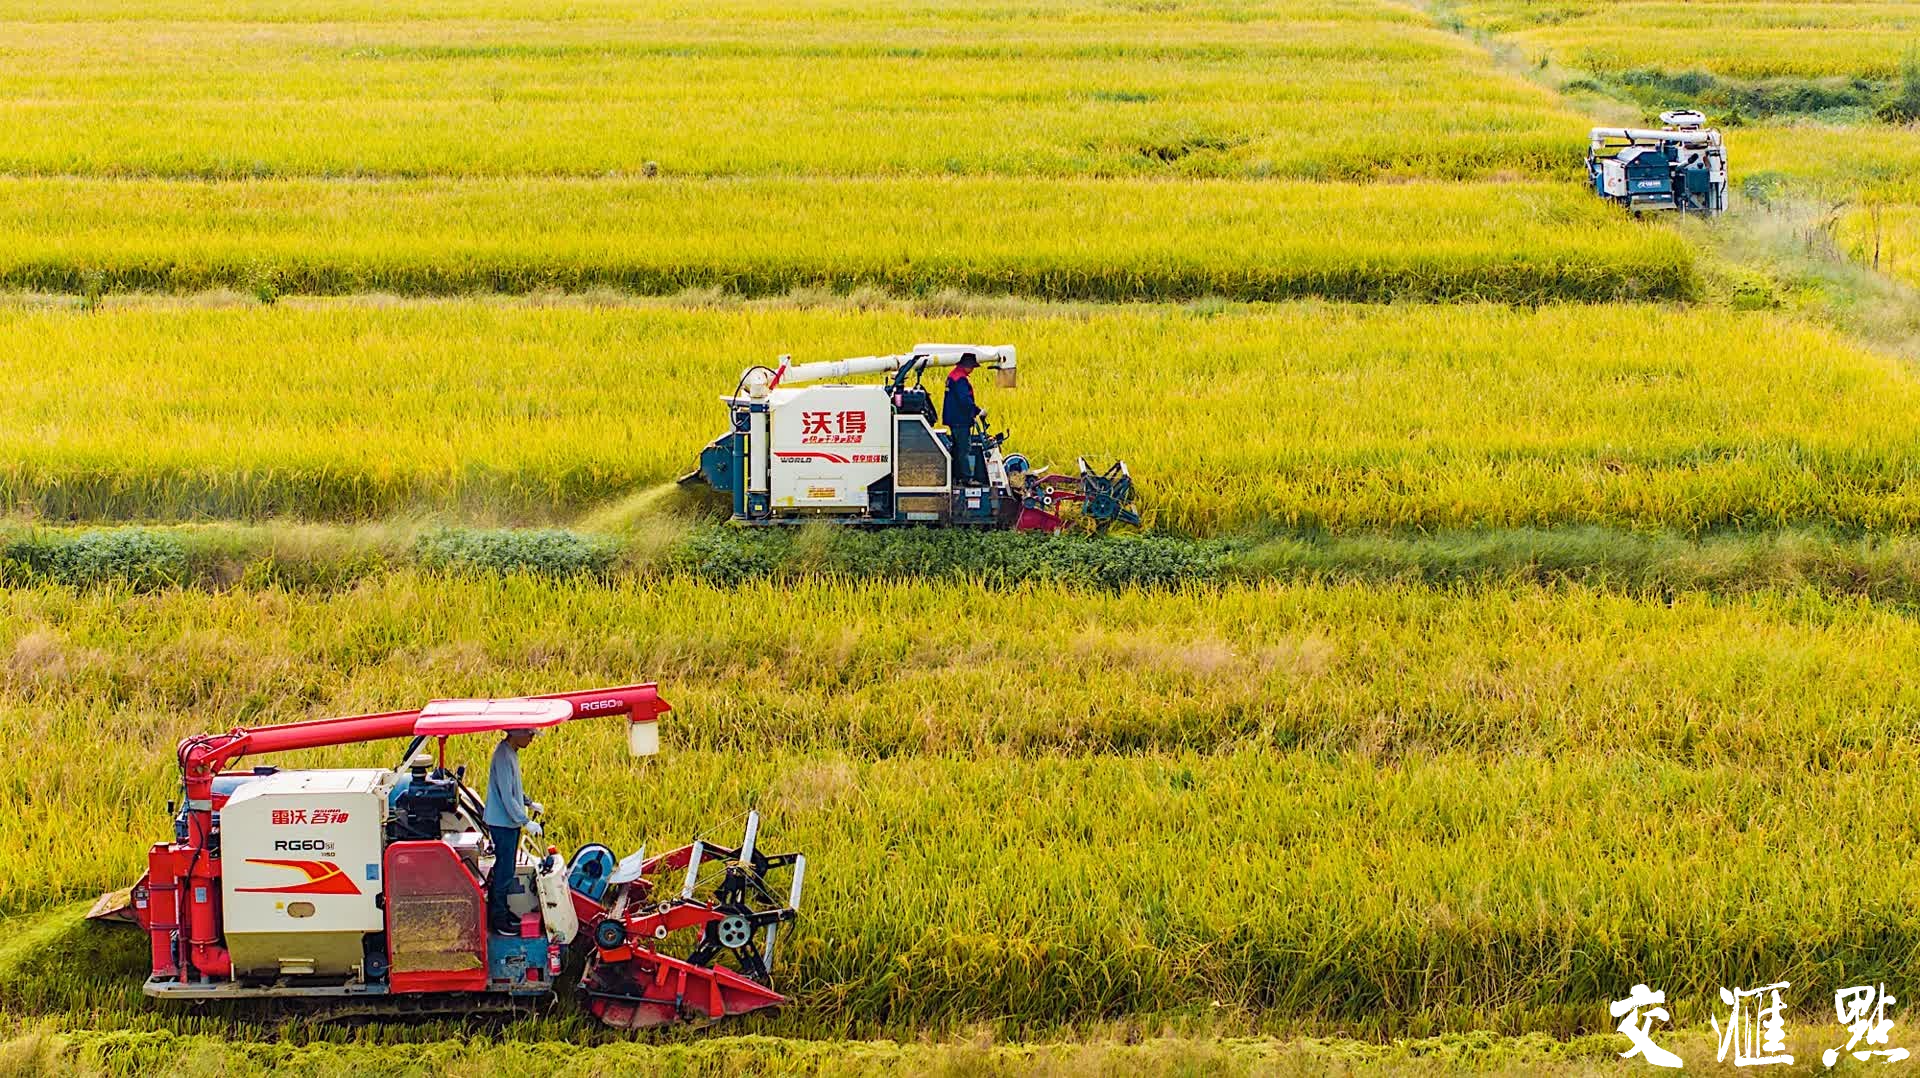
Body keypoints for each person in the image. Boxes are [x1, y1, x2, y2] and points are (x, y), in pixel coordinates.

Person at [483, 727, 544, 935]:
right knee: (504, 870)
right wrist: (526, 821)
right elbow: (507, 797)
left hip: (509, 823)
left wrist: (529, 802)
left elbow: (514, 789)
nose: (532, 739)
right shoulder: (502, 755)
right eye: (530, 735)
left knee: (507, 868)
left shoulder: (511, 753)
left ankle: (503, 911)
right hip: (502, 823)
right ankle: (499, 919)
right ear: (517, 733)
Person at [941, 353, 982, 485]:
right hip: (960, 420)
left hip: (954, 419)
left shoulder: (953, 375)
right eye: (972, 367)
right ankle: (966, 478)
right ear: (967, 366)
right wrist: (977, 411)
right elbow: (964, 400)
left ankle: (957, 476)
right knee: (964, 449)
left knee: (957, 448)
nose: (973, 370)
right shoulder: (960, 379)